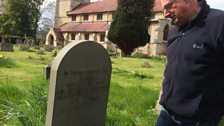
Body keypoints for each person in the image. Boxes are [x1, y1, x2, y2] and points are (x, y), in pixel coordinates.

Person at [156, 0, 224, 125]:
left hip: (199, 120)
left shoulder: (220, 23)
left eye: (169, 6)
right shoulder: (175, 29)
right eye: (163, 9)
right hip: (166, 114)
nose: (165, 14)